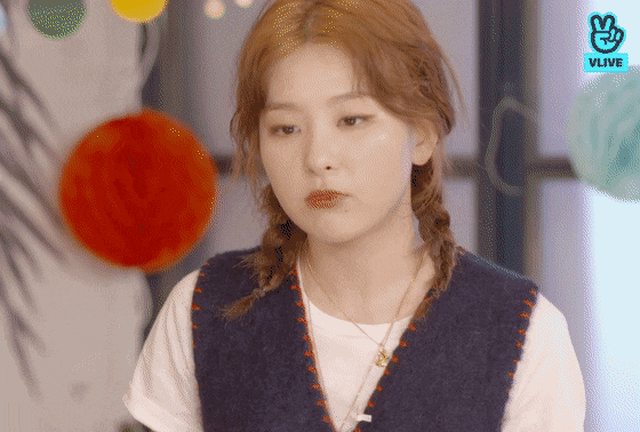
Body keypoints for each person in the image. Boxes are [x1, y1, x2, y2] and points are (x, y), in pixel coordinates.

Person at [123, 0, 586, 431]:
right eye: (286, 128)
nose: (318, 158)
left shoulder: (523, 331)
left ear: (423, 134)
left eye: (352, 120)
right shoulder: (202, 309)